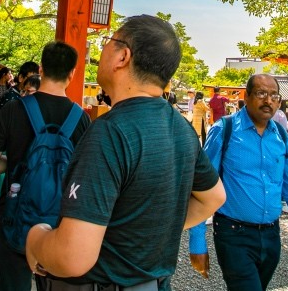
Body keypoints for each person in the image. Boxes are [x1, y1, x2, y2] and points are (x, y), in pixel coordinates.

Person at [25, 15, 226, 290]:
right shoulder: (181, 128)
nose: (102, 50)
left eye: (108, 42)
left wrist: (36, 239)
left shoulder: (110, 132)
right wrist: (146, 230)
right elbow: (213, 197)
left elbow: (72, 258)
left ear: (123, 56)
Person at [189, 74, 288, 289]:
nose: (268, 101)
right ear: (246, 97)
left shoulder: (282, 137)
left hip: (271, 236)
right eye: (261, 94)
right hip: (233, 234)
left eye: (274, 96)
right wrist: (197, 243)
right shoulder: (224, 130)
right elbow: (201, 185)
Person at [0, 41, 91, 291]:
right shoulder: (81, 118)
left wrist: (14, 164)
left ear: (41, 69)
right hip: (59, 222)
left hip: (15, 215)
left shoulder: (13, 108)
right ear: (72, 74)